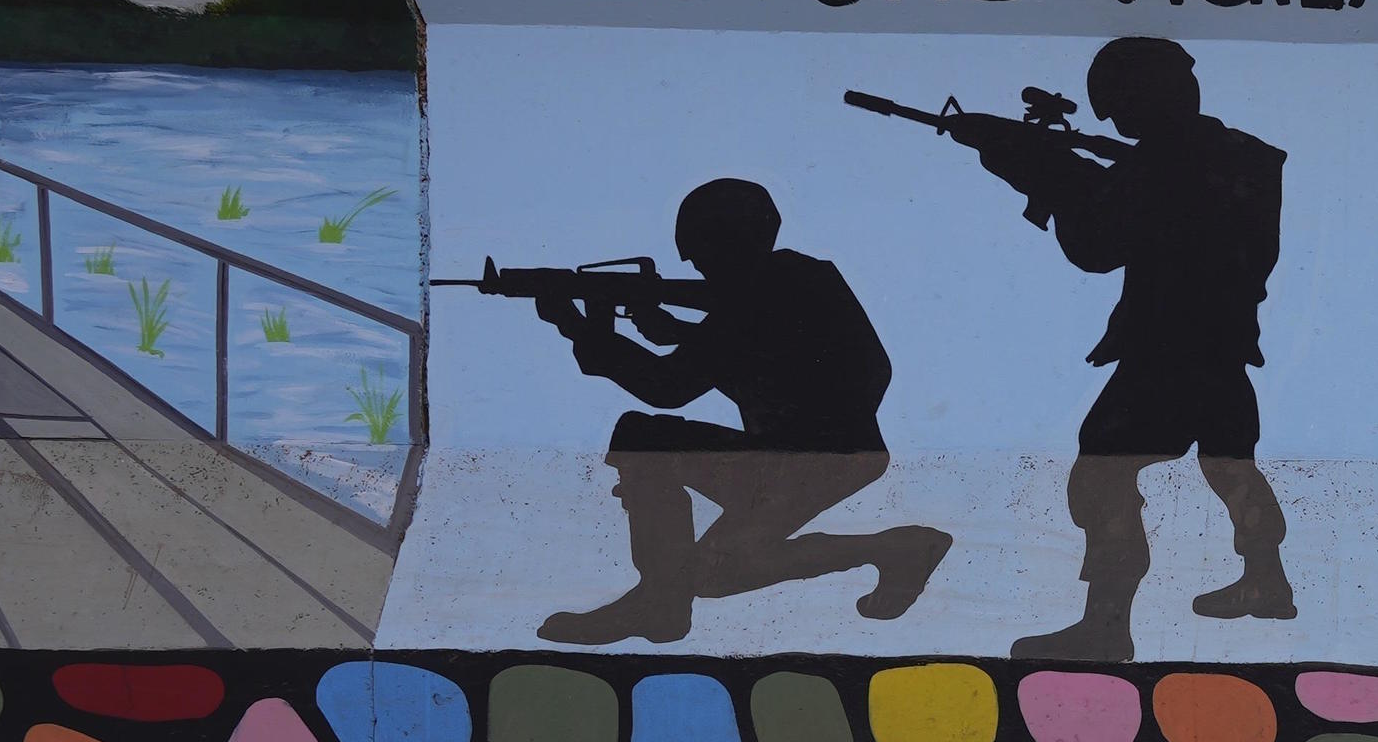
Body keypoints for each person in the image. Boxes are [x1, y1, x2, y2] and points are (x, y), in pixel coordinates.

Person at [965, 36, 1290, 660]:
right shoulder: (1242, 157)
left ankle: (1107, 623)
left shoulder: (1165, 165)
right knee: (1228, 462)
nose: (1119, 123)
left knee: (1102, 471)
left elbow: (1096, 247)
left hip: (1168, 344)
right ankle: (1267, 578)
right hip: (1221, 340)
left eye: (1122, 109)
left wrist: (1045, 174)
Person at [532, 177, 949, 645]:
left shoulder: (762, 292)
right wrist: (672, 331)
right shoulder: (797, 281)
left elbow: (668, 387)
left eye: (704, 256)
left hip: (799, 460)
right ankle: (896, 549)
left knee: (641, 435)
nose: (703, 271)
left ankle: (660, 601)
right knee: (713, 574)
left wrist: (575, 324)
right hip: (830, 456)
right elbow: (768, 358)